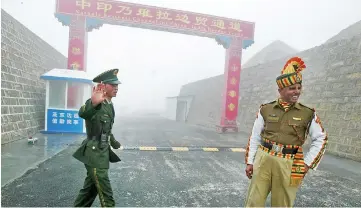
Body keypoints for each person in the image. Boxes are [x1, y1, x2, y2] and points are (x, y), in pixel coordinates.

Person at [244, 57, 328, 207]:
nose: (296, 92)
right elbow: (255, 136)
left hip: (290, 163)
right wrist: (250, 161)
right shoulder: (266, 109)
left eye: (299, 88)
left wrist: (307, 164)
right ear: (280, 90)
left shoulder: (308, 113)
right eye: (292, 88)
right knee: (253, 201)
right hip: (263, 158)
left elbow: (321, 138)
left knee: (282, 204)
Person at [73, 68, 122, 207]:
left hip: (102, 153)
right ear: (103, 86)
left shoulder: (109, 105)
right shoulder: (95, 102)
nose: (116, 88)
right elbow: (82, 113)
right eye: (113, 85)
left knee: (89, 191)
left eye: (117, 85)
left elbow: (105, 129)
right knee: (106, 194)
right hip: (94, 154)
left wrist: (114, 142)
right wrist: (93, 103)